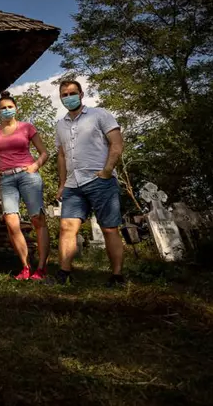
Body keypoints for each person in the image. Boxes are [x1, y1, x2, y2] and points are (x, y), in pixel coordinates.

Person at [55, 80, 125, 287]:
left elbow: (117, 143)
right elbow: (61, 155)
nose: (69, 97)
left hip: (99, 180)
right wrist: (61, 184)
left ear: (81, 94)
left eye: (72, 93)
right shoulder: (60, 124)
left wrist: (106, 171)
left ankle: (117, 276)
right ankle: (64, 273)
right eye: (64, 94)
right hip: (72, 184)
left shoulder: (100, 115)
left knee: (109, 228)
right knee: (67, 227)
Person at [0, 91, 50, 280]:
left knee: (37, 219)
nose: (7, 110)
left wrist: (35, 166)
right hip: (6, 179)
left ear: (15, 109)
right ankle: (25, 266)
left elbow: (44, 153)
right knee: (11, 222)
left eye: (10, 107)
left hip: (27, 175)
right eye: (3, 108)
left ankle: (41, 267)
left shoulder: (27, 127)